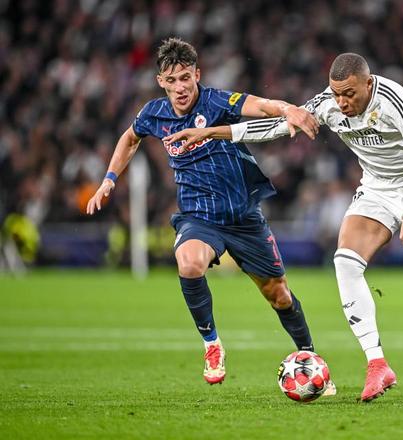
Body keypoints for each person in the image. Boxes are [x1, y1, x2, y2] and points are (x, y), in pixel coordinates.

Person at [165, 53, 403, 402]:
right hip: (378, 190)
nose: (342, 102)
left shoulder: (393, 101)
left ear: (368, 84)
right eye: (336, 94)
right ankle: (377, 364)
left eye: (349, 94)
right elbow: (277, 127)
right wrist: (212, 133)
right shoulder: (328, 104)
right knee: (346, 261)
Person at [86, 37, 325, 387]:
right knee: (188, 263)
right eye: (172, 80)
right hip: (199, 217)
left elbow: (260, 106)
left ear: (197, 74)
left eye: (186, 77)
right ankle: (212, 344)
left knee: (279, 295)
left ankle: (310, 357)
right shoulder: (153, 113)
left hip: (243, 218)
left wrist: (288, 109)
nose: (180, 87)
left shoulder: (216, 102)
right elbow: (130, 138)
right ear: (161, 82)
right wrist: (109, 180)